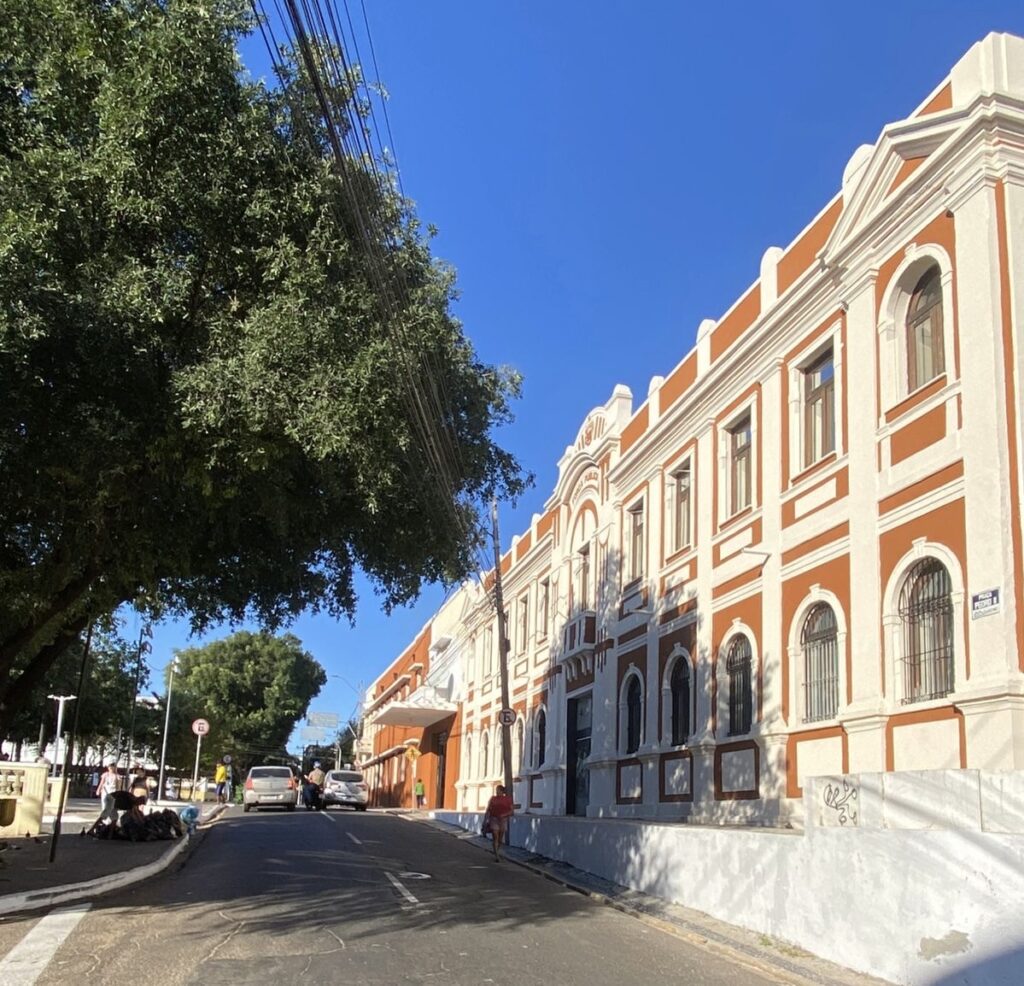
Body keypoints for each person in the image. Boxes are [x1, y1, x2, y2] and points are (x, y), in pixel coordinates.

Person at [484, 784, 514, 862]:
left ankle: (496, 849)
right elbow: (488, 810)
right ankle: (497, 855)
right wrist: (485, 820)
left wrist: (504, 815)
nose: (497, 792)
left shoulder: (507, 799)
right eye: (496, 790)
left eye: (498, 790)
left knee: (500, 838)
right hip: (494, 819)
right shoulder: (493, 799)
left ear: (502, 791)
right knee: (495, 836)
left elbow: (511, 811)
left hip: (503, 820)